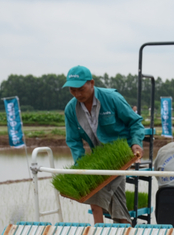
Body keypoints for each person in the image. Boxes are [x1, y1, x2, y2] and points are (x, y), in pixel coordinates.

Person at [62, 65, 145, 224]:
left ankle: (98, 230)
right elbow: (73, 140)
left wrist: (136, 143)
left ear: (91, 83)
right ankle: (124, 228)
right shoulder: (71, 109)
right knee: (117, 196)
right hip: (100, 156)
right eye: (73, 90)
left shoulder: (111, 98)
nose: (78, 94)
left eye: (81, 89)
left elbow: (135, 122)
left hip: (121, 154)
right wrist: (80, 166)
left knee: (97, 188)